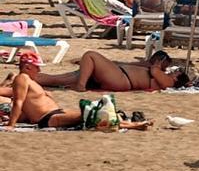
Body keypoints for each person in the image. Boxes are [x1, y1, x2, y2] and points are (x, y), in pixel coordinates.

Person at [2, 53, 152, 130]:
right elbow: (18, 103)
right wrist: (11, 125)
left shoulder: (29, 80)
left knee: (91, 113)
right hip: (47, 117)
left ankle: (129, 123)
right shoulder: (22, 78)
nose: (39, 70)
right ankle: (133, 125)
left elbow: (26, 105)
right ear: (27, 67)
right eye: (37, 67)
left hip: (55, 113)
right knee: (92, 115)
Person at [35, 50, 187, 92]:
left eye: (177, 71)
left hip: (122, 79)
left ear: (178, 77)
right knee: (59, 79)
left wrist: (158, 65)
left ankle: (81, 86)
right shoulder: (160, 72)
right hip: (119, 75)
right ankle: (30, 78)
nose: (172, 70)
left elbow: (154, 72)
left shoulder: (168, 81)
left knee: (90, 55)